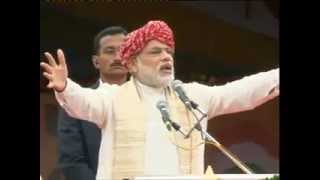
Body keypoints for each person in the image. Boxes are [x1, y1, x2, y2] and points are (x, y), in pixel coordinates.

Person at [40, 20, 279, 180]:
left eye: (169, 52)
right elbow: (84, 102)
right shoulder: (113, 98)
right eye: (155, 52)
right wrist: (65, 86)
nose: (166, 57)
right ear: (132, 63)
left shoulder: (191, 97)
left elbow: (240, 92)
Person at [57, 26, 128, 180]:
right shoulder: (74, 102)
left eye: (123, 51)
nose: (117, 57)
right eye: (110, 51)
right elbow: (72, 163)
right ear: (96, 61)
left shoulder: (150, 100)